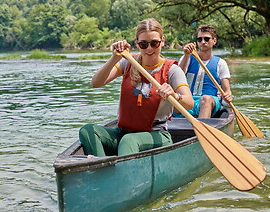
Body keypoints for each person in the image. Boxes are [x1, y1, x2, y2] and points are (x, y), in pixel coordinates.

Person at [79, 18, 193, 157]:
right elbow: (96, 83)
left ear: (162, 41)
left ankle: (121, 173)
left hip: (156, 134)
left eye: (154, 43)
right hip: (124, 132)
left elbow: (189, 103)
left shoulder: (172, 70)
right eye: (143, 44)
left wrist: (175, 95)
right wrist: (114, 57)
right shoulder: (128, 62)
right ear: (136, 43)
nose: (149, 48)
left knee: (129, 141)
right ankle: (101, 167)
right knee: (88, 130)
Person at [176, 24, 232, 118]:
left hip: (210, 102)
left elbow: (227, 91)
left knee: (205, 99)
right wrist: (186, 55)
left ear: (214, 41)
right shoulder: (187, 58)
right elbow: (177, 77)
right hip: (188, 100)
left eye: (206, 39)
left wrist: (228, 95)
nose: (203, 42)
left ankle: (202, 129)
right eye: (199, 39)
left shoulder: (221, 63)